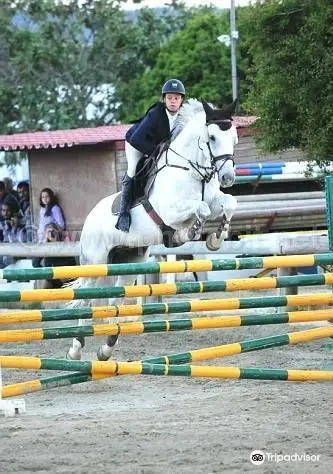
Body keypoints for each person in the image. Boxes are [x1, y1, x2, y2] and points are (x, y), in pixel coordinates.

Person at [116, 78, 186, 232]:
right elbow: (137, 139)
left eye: (176, 98)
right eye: (169, 98)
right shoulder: (155, 114)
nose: (173, 101)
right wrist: (156, 153)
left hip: (157, 146)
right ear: (164, 99)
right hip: (136, 143)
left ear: (181, 100)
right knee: (133, 171)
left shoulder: (183, 117)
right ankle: (124, 214)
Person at [32, 223, 76, 288]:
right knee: (44, 294)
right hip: (52, 277)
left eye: (53, 232)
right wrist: (46, 273)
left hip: (66, 276)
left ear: (57, 232)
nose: (51, 234)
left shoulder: (64, 243)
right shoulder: (45, 246)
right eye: (49, 232)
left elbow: (72, 262)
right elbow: (35, 263)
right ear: (46, 234)